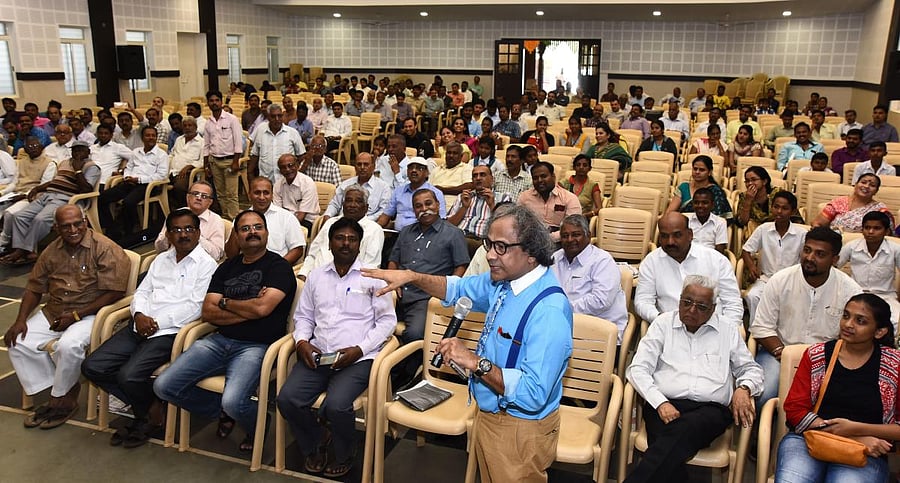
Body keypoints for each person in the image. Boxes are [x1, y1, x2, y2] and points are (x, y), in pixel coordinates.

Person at [363, 205, 572, 482]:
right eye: (489, 244)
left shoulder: (549, 311)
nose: (489, 255)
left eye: (501, 247)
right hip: (492, 414)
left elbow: (533, 393)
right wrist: (413, 277)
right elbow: (457, 289)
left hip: (520, 428)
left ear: (532, 253)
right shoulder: (506, 281)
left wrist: (475, 362)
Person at [154, 209, 297, 453]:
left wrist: (226, 303)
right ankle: (223, 411)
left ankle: (256, 424)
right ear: (237, 237)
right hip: (218, 341)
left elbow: (262, 308)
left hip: (258, 347)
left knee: (234, 400)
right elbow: (208, 312)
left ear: (266, 232)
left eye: (257, 227)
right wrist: (246, 308)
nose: (252, 232)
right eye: (245, 228)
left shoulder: (279, 268)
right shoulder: (226, 268)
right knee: (164, 386)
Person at [81, 209, 217, 448]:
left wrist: (155, 323)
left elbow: (196, 307)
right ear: (168, 234)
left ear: (198, 232)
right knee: (93, 366)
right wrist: (140, 315)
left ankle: (144, 416)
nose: (183, 234)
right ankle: (151, 408)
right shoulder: (160, 260)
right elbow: (142, 292)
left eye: (188, 229)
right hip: (141, 324)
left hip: (171, 332)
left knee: (128, 375)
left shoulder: (207, 265)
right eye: (176, 230)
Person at [277, 218, 396, 478]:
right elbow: (304, 317)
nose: (345, 243)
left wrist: (360, 349)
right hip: (319, 354)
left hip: (358, 358)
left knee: (337, 405)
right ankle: (316, 440)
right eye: (340, 238)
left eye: (352, 239)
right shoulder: (317, 276)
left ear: (359, 244)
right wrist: (302, 342)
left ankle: (345, 451)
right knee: (287, 399)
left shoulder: (372, 277)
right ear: (330, 243)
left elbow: (388, 321)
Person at [625, 275, 762, 483]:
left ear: (713, 308)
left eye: (701, 306)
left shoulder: (727, 330)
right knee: (670, 450)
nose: (691, 310)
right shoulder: (663, 324)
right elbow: (637, 369)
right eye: (686, 302)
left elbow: (751, 369)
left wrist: (744, 387)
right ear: (679, 299)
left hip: (708, 411)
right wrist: (660, 403)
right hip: (663, 404)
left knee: (676, 434)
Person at [5, 205, 130, 429]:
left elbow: (115, 292)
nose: (73, 230)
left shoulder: (104, 248)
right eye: (66, 226)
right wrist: (20, 320)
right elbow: (34, 288)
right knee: (18, 341)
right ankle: (65, 388)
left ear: (85, 222)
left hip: (92, 312)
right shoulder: (51, 251)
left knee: (68, 346)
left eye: (77, 224)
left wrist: (75, 316)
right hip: (55, 310)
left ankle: (60, 401)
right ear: (56, 228)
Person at [775, 294, 900, 482]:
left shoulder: (894, 365)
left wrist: (855, 430)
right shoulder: (817, 355)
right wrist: (856, 437)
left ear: (879, 331)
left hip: (867, 451)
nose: (848, 324)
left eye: (860, 321)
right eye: (846, 316)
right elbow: (795, 411)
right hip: (808, 439)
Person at [749, 227, 863, 410]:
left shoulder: (850, 291)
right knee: (762, 395)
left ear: (835, 260)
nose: (810, 258)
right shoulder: (780, 280)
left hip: (827, 358)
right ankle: (763, 435)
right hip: (779, 352)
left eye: (820, 254)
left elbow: (851, 338)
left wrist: (818, 361)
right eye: (807, 250)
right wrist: (784, 354)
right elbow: (762, 328)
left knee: (836, 401)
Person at [389, 188, 469, 348]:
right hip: (397, 295)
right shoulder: (405, 232)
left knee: (414, 334)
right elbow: (393, 261)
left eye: (428, 203)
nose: (424, 209)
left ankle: (402, 371)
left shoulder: (454, 234)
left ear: (438, 204)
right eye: (418, 206)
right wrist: (393, 281)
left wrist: (446, 292)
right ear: (414, 210)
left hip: (426, 299)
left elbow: (461, 266)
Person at [1, 141, 100, 265]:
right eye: (75, 150)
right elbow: (56, 181)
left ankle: (22, 250)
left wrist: (78, 171)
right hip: (48, 194)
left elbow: (86, 189)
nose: (77, 153)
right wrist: (37, 188)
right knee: (19, 216)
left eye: (81, 150)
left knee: (40, 219)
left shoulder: (91, 167)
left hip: (66, 198)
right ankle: (25, 250)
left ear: (88, 152)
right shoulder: (65, 162)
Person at [634, 212, 743, 324]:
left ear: (690, 235)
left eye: (677, 235)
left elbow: (732, 302)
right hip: (669, 329)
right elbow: (643, 301)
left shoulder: (716, 260)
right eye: (664, 236)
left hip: (712, 329)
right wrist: (660, 319)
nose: (670, 242)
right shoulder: (651, 262)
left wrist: (728, 331)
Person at [552, 214, 628, 343]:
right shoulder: (555, 258)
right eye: (565, 236)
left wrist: (563, 309)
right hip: (562, 327)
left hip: (600, 332)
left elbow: (600, 301)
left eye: (576, 234)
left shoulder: (602, 260)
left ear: (588, 235)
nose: (570, 239)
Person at [740, 191, 806, 322]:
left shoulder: (801, 234)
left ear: (793, 211)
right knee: (752, 296)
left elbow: (805, 259)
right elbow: (746, 250)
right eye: (776, 207)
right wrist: (752, 266)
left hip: (791, 282)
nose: (779, 211)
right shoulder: (764, 229)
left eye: (785, 208)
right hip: (766, 279)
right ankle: (756, 331)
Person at [297, 184, 384, 281]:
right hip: (315, 278)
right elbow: (312, 255)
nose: (352, 205)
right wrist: (303, 274)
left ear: (366, 207)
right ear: (343, 205)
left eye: (358, 201)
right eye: (349, 200)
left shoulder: (374, 230)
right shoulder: (330, 223)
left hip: (350, 283)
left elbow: (371, 267)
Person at [98, 125, 168, 241]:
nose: (150, 138)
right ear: (142, 137)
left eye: (153, 136)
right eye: (147, 135)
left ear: (156, 138)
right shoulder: (136, 152)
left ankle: (128, 232)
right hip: (130, 182)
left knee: (128, 202)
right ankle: (113, 228)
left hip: (148, 185)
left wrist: (139, 179)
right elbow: (129, 168)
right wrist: (127, 177)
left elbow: (161, 175)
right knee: (102, 197)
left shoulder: (161, 155)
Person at [838, 211, 900, 327]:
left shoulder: (895, 249)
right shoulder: (852, 247)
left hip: (885, 295)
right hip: (855, 293)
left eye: (877, 228)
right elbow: (834, 267)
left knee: (895, 321)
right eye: (867, 227)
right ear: (862, 229)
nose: (871, 232)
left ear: (886, 231)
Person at [154, 181, 225, 261]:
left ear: (210, 202)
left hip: (198, 265)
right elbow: (159, 249)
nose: (199, 198)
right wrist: (167, 237)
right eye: (195, 194)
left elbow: (217, 255)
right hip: (171, 261)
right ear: (188, 197)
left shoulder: (216, 220)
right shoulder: (176, 216)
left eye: (204, 196)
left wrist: (195, 236)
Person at [203, 90, 244, 220]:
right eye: (211, 101)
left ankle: (234, 219)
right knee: (220, 193)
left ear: (221, 102)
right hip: (214, 161)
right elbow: (206, 145)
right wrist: (206, 165)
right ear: (208, 103)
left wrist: (236, 161)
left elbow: (238, 141)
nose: (214, 103)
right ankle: (226, 217)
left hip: (230, 160)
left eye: (217, 100)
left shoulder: (232, 119)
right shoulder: (208, 122)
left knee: (231, 193)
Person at [517, 161, 581, 242]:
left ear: (553, 176)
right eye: (535, 178)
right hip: (531, 242)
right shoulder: (525, 197)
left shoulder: (569, 198)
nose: (539, 180)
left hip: (561, 242)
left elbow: (572, 227)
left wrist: (547, 238)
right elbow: (518, 222)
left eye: (543, 176)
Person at [377, 157, 446, 231]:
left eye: (419, 168)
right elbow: (386, 216)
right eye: (411, 168)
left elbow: (441, 220)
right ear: (407, 172)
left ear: (427, 173)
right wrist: (374, 229)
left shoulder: (436, 193)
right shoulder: (399, 191)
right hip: (397, 235)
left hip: (423, 235)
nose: (414, 170)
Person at [812, 173, 893, 233]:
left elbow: (886, 233)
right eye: (863, 182)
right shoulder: (839, 202)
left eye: (872, 185)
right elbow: (817, 223)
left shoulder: (879, 209)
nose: (866, 186)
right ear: (855, 185)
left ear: (876, 191)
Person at [324, 152, 390, 221]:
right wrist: (327, 215)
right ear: (355, 167)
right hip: (343, 222)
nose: (362, 167)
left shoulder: (383, 187)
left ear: (373, 167)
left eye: (366, 164)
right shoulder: (346, 184)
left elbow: (383, 211)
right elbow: (335, 204)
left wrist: (365, 221)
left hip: (367, 225)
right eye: (359, 164)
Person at [735, 166, 802, 234]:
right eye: (747, 181)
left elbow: (793, 217)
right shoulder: (745, 197)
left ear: (764, 181)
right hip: (756, 231)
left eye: (754, 180)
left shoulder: (778, 194)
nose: (750, 183)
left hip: (780, 228)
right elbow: (742, 222)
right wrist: (748, 201)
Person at [248, 103, 305, 182]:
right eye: (273, 116)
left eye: (279, 116)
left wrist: (294, 174)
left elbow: (301, 156)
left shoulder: (292, 133)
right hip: (266, 181)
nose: (277, 119)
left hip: (286, 181)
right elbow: (255, 155)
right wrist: (250, 174)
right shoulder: (261, 131)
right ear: (268, 117)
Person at [666, 155, 732, 221]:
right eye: (695, 169)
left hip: (708, 227)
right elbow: (669, 212)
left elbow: (718, 217)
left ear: (709, 172)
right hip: (683, 226)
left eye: (702, 170)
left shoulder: (715, 191)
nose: (697, 172)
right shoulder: (684, 187)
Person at [686, 188, 727, 253]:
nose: (700, 206)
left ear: (712, 205)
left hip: (711, 259)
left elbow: (719, 251)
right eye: (696, 202)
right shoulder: (685, 220)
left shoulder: (720, 222)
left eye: (705, 203)